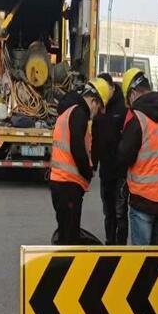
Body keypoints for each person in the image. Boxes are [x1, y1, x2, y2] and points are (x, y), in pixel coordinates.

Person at [117, 67, 158, 246]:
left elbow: (124, 157)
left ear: (133, 93)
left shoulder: (137, 119)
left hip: (142, 200)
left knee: (140, 259)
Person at [49, 78, 111, 244]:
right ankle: (65, 267)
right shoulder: (79, 114)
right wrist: (87, 173)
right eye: (98, 107)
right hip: (68, 185)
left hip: (60, 183)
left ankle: (64, 264)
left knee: (66, 233)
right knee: (69, 238)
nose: (97, 112)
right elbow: (77, 148)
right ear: (93, 100)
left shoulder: (69, 111)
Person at [91, 72, 128, 245]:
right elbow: (96, 139)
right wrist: (93, 164)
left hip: (120, 172)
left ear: (112, 88)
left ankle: (120, 247)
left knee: (120, 213)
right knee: (108, 212)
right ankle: (109, 243)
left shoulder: (124, 108)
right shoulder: (100, 108)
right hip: (105, 171)